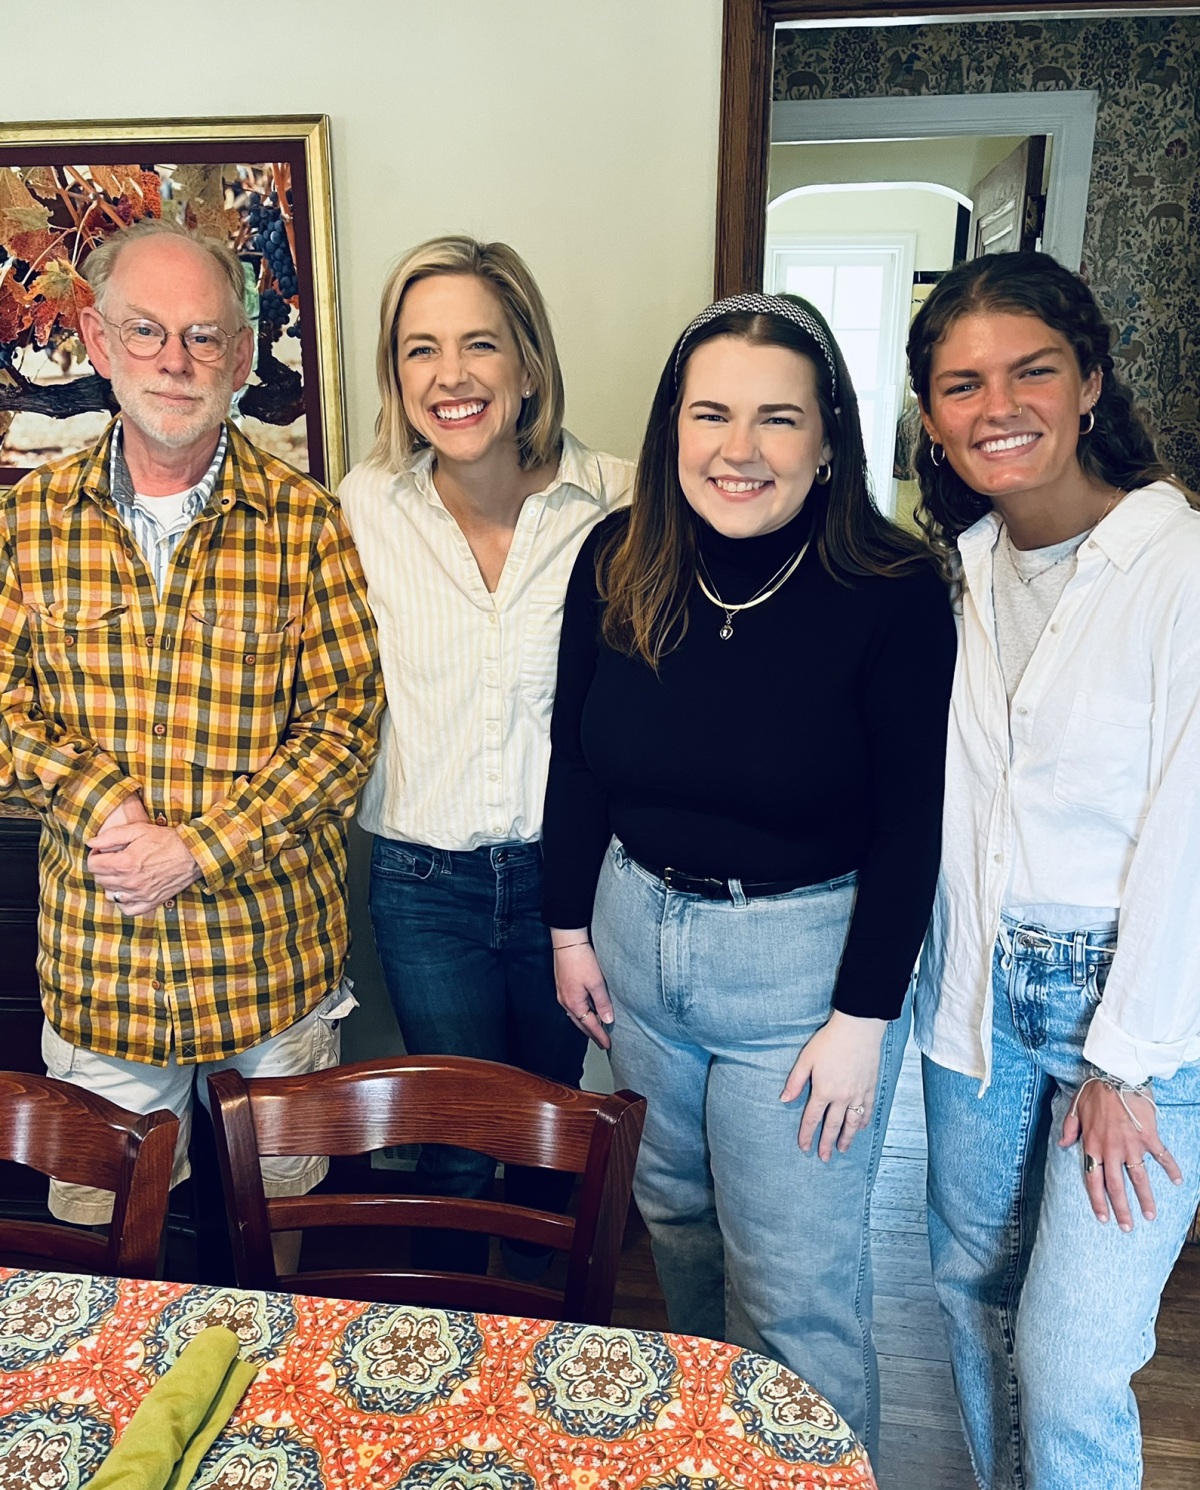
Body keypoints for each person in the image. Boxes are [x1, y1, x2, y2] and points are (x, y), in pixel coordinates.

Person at [542, 291, 956, 1454]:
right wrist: (568, 927)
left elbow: (913, 824)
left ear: (830, 438)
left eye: (777, 418)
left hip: (801, 972)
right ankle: (722, 1457)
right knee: (673, 1226)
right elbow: (576, 755)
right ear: (672, 426)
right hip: (632, 948)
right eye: (710, 412)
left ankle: (809, 1468)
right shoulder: (618, 558)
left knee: (794, 1288)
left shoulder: (892, 589)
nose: (739, 448)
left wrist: (864, 1017)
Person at [0, 219, 382, 1262]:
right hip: (103, 975)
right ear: (97, 337)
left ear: (244, 358)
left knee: (280, 1241)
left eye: (206, 337)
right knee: (107, 1253)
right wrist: (97, 801)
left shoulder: (308, 524)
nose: (176, 360)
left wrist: (196, 848)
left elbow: (346, 725)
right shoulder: (26, 523)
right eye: (148, 330)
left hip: (270, 969)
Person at [909, 250, 1200, 1490]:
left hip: (1136, 1012)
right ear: (929, 413)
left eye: (1031, 370)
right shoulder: (959, 572)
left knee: (1075, 1355)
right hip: (975, 992)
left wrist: (1125, 1057)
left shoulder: (1177, 565)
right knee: (971, 1296)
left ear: (1091, 382)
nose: (997, 406)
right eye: (962, 383)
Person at [337, 236, 632, 1276]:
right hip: (425, 885)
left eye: (478, 345)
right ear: (397, 375)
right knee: (455, 1145)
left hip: (579, 887)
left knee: (564, 1142)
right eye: (420, 350)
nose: (450, 376)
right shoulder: (364, 506)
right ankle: (451, 1379)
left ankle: (561, 1381)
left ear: (529, 364)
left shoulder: (623, 503)